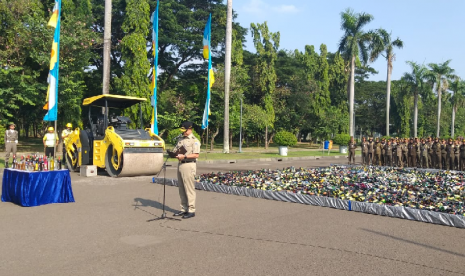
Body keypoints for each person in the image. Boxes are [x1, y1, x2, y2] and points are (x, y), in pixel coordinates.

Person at [172, 121, 201, 219]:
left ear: (190, 129)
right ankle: (183, 209)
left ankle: (191, 210)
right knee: (181, 188)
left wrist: (184, 156)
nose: (183, 132)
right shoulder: (181, 139)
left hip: (189, 165)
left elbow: (196, 155)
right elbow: (176, 150)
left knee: (189, 188)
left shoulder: (194, 140)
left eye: (185, 130)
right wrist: (174, 153)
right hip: (180, 165)